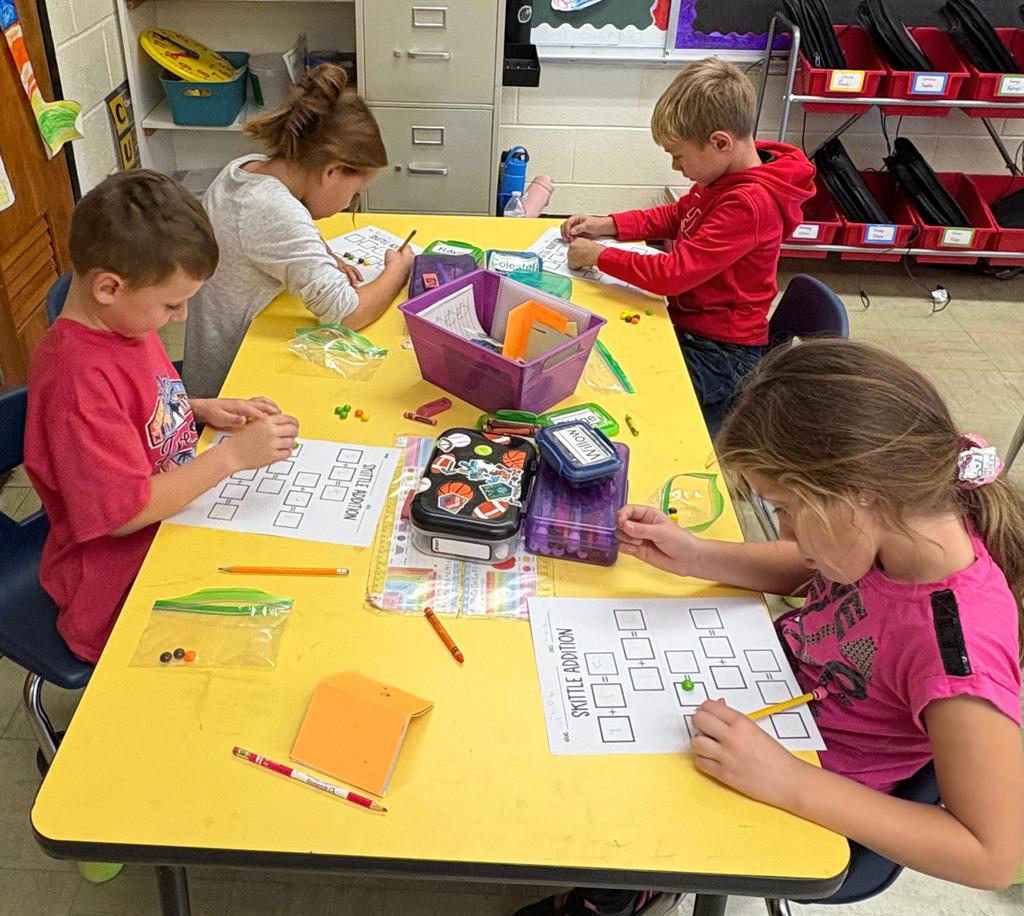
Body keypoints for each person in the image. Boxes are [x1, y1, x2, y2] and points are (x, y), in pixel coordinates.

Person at [515, 340, 1024, 916]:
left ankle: (620, 893)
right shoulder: (900, 526)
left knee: (598, 797)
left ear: (855, 495)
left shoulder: (957, 650)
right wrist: (696, 555)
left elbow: (992, 855)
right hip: (772, 699)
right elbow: (812, 570)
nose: (783, 529)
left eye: (783, 508)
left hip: (817, 790)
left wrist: (786, 781)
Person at [25, 170, 299, 664]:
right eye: (173, 304)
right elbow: (125, 515)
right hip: (118, 588)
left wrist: (195, 409)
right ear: (109, 287)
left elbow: (135, 406)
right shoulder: (77, 381)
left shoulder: (123, 323)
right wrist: (231, 457)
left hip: (173, 528)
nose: (182, 318)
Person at [560, 58, 815, 437]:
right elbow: (680, 214)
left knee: (617, 396)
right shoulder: (729, 170)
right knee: (605, 352)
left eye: (678, 155)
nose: (676, 166)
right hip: (693, 329)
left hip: (722, 355)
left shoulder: (748, 203)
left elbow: (673, 275)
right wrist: (608, 224)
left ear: (720, 143)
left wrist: (601, 255)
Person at [182, 63, 414, 399]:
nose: (349, 205)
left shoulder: (246, 168)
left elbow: (272, 232)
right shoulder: (273, 209)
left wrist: (323, 254)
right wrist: (397, 270)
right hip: (232, 386)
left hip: (224, 366)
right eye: (354, 194)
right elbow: (346, 314)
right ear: (332, 171)